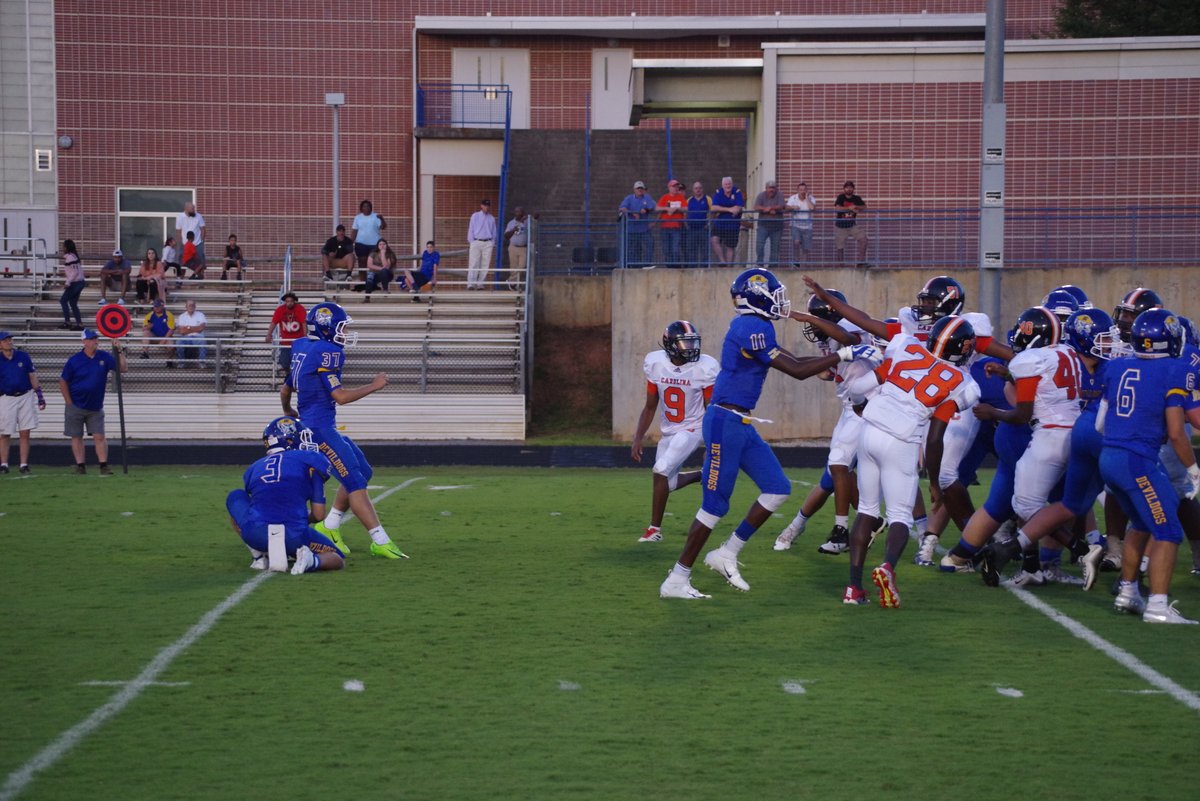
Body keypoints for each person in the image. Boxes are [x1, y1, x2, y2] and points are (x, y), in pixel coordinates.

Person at [659, 268, 879, 599]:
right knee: (715, 505)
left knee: (777, 488)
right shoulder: (751, 326)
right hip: (724, 422)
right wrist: (843, 354)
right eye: (774, 294)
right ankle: (677, 579)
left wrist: (842, 355)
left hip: (740, 422)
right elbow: (797, 370)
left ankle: (727, 553)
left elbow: (794, 359)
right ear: (756, 297)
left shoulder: (759, 326)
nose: (779, 300)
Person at [837, 316, 980, 607]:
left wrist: (861, 406)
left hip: (869, 432)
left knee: (866, 510)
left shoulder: (906, 347)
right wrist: (935, 482)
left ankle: (853, 588)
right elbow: (935, 438)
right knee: (900, 515)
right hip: (901, 440)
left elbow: (858, 387)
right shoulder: (964, 383)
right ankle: (887, 567)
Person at [281, 302, 406, 559]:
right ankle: (380, 541)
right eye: (342, 327)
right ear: (327, 328)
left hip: (317, 425)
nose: (345, 333)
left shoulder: (302, 346)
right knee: (355, 482)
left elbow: (285, 389)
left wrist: (288, 411)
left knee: (364, 472)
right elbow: (340, 396)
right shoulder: (328, 351)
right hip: (319, 429)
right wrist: (374, 385)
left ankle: (330, 526)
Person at [1097, 309, 1199, 624]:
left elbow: (1100, 423)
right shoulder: (1174, 369)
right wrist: (1194, 470)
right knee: (1168, 530)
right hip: (1137, 459)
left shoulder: (1116, 366)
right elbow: (1176, 433)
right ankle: (1157, 606)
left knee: (1142, 524)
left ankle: (1128, 593)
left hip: (1109, 456)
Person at [631, 320, 720, 543]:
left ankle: (654, 530)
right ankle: (703, 475)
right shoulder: (656, 363)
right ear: (670, 345)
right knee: (666, 483)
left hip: (693, 428)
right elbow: (650, 406)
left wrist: (712, 444)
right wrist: (638, 437)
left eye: (693, 342)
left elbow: (711, 410)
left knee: (660, 469)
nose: (691, 348)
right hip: (669, 431)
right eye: (685, 343)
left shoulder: (704, 368)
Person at [225, 416, 345, 575]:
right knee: (336, 558)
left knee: (236, 496)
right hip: (294, 536)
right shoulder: (311, 460)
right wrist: (302, 516)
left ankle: (259, 556)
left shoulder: (254, 467)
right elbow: (318, 514)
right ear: (288, 440)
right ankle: (310, 561)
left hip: (255, 534)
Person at [59, 328, 126, 475]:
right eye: (91, 339)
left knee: (99, 436)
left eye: (95, 338)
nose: (95, 341)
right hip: (76, 404)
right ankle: (80, 465)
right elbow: (63, 381)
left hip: (95, 406)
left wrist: (119, 351)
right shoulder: (74, 360)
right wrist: (69, 402)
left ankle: (103, 465)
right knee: (76, 436)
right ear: (84, 342)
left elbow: (122, 368)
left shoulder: (104, 357)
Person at [0, 331, 46, 475]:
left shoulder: (23, 356)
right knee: (5, 432)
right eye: (5, 340)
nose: (9, 342)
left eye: (10, 339)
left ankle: (23, 464)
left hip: (25, 395)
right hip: (7, 397)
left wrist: (40, 395)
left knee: (25, 432)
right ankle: (4, 464)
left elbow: (32, 376)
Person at [618, 181, 656, 268]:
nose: (640, 190)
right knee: (633, 249)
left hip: (644, 229)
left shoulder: (647, 197)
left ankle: (647, 264)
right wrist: (633, 213)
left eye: (641, 188)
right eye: (638, 188)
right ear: (634, 189)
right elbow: (622, 208)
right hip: (632, 229)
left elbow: (651, 207)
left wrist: (646, 210)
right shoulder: (629, 198)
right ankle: (634, 266)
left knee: (650, 244)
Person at [266, 292, 306, 371]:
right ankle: (289, 375)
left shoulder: (300, 308)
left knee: (300, 363)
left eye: (291, 301)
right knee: (284, 362)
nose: (289, 303)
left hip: (298, 342)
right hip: (285, 343)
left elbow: (304, 323)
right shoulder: (280, 310)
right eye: (287, 301)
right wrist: (269, 334)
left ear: (294, 301)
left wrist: (305, 337)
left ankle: (295, 376)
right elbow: (274, 323)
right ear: (285, 302)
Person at [709, 176, 744, 264]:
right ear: (722, 185)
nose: (728, 186)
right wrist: (729, 209)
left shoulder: (737, 192)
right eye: (726, 184)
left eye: (729, 184)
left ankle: (728, 267)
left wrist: (721, 209)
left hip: (733, 225)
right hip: (720, 224)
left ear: (732, 184)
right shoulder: (718, 192)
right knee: (714, 240)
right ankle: (722, 261)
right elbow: (713, 207)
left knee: (730, 247)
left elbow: (739, 207)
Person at [834, 180, 869, 267]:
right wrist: (849, 208)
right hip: (841, 225)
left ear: (853, 189)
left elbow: (864, 207)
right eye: (847, 188)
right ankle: (841, 266)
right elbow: (838, 208)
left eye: (850, 187)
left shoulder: (856, 198)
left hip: (852, 225)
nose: (849, 189)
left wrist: (856, 206)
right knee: (840, 247)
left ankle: (860, 263)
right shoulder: (841, 197)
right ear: (844, 189)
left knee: (864, 239)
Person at [753, 180, 786, 266]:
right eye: (770, 188)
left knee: (775, 247)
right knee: (760, 245)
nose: (771, 190)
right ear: (766, 188)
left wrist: (770, 208)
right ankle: (760, 264)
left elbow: (782, 205)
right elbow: (756, 207)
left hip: (777, 226)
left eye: (773, 188)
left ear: (776, 188)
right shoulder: (761, 195)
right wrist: (765, 209)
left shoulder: (780, 194)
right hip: (763, 225)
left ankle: (773, 266)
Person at [655, 180, 686, 267]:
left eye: (677, 186)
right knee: (666, 249)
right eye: (674, 186)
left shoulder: (680, 197)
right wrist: (667, 209)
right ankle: (669, 266)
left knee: (675, 248)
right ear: (669, 188)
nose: (676, 188)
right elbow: (657, 208)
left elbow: (686, 208)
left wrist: (677, 209)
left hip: (676, 227)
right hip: (665, 227)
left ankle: (676, 266)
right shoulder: (665, 197)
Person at [466, 198, 496, 289]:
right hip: (476, 240)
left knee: (485, 264)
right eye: (485, 205)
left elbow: (494, 232)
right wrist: (472, 241)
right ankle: (471, 283)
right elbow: (471, 229)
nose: (487, 207)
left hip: (487, 242)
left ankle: (480, 283)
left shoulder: (491, 218)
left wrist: (492, 243)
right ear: (481, 206)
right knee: (474, 263)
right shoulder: (475, 216)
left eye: (488, 206)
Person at [785, 181, 817, 265]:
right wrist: (793, 207)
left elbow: (812, 208)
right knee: (796, 242)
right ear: (798, 190)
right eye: (801, 189)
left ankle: (803, 265)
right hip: (795, 225)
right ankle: (796, 262)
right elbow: (786, 207)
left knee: (805, 248)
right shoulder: (793, 198)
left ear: (807, 190)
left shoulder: (811, 198)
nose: (802, 191)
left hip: (807, 227)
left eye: (804, 189)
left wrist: (807, 198)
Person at [351, 199, 386, 275]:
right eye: (364, 206)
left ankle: (373, 280)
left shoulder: (376, 216)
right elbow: (354, 231)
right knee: (362, 262)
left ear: (371, 207)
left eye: (368, 206)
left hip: (374, 244)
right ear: (361, 208)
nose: (366, 208)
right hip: (360, 244)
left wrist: (382, 219)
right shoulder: (357, 217)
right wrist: (350, 243)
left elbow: (383, 227)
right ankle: (363, 280)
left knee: (374, 263)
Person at [684, 181, 712, 267]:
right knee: (691, 250)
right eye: (696, 188)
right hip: (692, 229)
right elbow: (685, 214)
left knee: (705, 250)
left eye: (699, 188)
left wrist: (709, 224)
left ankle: (705, 268)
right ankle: (692, 268)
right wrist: (686, 225)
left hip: (704, 229)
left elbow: (713, 212)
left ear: (702, 189)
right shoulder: (689, 200)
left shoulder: (708, 199)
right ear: (693, 190)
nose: (698, 190)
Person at [58, 239, 85, 330]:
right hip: (79, 282)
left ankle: (68, 322)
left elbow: (75, 272)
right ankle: (79, 324)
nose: (62, 248)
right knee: (73, 303)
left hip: (75, 283)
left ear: (67, 247)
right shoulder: (73, 256)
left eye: (63, 246)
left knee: (63, 300)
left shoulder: (70, 257)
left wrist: (67, 282)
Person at [140, 299, 175, 367]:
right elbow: (143, 329)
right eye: (155, 306)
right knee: (146, 333)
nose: (156, 308)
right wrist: (148, 326)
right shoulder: (150, 315)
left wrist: (163, 340)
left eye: (158, 306)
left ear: (162, 306)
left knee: (171, 346)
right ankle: (145, 352)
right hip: (154, 337)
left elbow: (171, 330)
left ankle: (169, 361)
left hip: (166, 336)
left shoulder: (168, 314)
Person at [174, 201, 206, 273]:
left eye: (194, 208)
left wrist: (202, 241)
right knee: (182, 260)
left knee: (200, 260)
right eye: (192, 209)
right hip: (185, 244)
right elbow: (178, 231)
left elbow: (203, 229)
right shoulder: (180, 217)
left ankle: (200, 278)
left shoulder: (199, 216)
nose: (194, 210)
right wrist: (180, 243)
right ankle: (179, 278)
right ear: (186, 209)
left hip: (197, 243)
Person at [503, 206, 531, 288]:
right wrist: (513, 229)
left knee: (522, 266)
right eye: (517, 212)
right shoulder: (511, 223)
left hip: (523, 248)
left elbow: (534, 223)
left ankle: (511, 280)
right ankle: (514, 285)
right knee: (513, 266)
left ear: (523, 213)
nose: (518, 213)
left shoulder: (527, 222)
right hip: (513, 247)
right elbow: (506, 236)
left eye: (520, 212)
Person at [175, 299, 208, 366]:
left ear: (195, 306)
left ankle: (202, 363)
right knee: (179, 343)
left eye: (192, 305)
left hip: (198, 337)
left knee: (203, 342)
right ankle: (181, 363)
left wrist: (188, 328)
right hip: (186, 337)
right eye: (189, 305)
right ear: (186, 306)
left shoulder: (200, 315)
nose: (191, 306)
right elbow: (181, 331)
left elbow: (201, 328)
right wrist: (196, 328)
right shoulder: (182, 316)